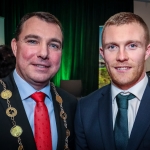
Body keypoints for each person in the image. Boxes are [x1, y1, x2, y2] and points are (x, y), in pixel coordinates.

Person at [0, 12, 77, 150]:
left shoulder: (71, 105)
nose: (44, 53)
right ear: (15, 47)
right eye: (33, 41)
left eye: (54, 45)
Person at [75, 12, 150, 150]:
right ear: (102, 54)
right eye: (112, 47)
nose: (121, 57)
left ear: (147, 51)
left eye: (132, 45)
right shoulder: (84, 109)